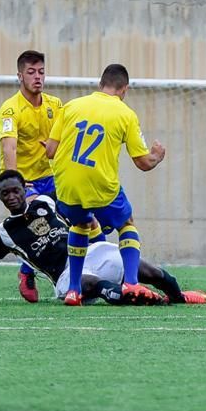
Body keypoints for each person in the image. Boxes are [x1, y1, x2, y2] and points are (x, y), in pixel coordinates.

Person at [0, 171, 206, 306]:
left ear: (25, 189)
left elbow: (77, 198)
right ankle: (143, 298)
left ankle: (178, 297)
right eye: (5, 194)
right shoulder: (4, 232)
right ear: (0, 198)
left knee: (148, 269)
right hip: (65, 276)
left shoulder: (46, 201)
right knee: (95, 285)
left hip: (91, 253)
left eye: (15, 190)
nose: (11, 196)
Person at [45, 64, 166, 306]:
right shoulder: (125, 114)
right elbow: (143, 163)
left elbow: (50, 150)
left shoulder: (71, 106)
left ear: (100, 85)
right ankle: (131, 282)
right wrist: (157, 155)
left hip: (66, 185)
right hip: (100, 185)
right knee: (127, 223)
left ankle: (73, 291)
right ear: (124, 89)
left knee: (80, 224)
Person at [0, 50, 65, 303]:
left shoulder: (55, 105)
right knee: (40, 221)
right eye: (31, 72)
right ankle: (27, 274)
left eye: (41, 72)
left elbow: (63, 141)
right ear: (20, 76)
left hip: (51, 175)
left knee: (71, 221)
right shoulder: (10, 109)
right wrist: (16, 182)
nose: (37, 77)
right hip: (24, 181)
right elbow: (9, 147)